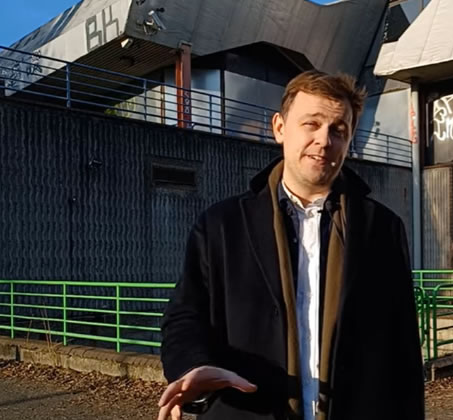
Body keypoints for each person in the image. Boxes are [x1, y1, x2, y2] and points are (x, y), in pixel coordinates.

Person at [157, 70, 424, 420]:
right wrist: (193, 365)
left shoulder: (382, 228)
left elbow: (403, 349)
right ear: (280, 127)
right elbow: (185, 316)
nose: (324, 140)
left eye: (338, 130)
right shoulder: (221, 226)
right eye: (311, 124)